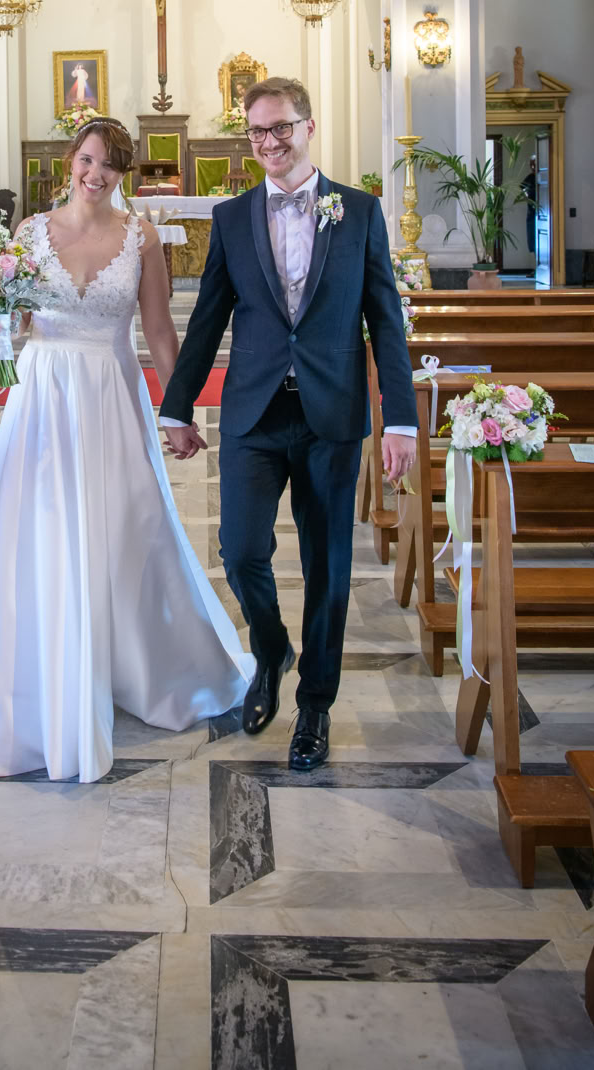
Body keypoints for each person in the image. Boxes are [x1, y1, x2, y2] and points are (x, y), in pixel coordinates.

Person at [0, 117, 252, 783]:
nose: (96, 175)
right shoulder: (29, 234)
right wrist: (3, 390)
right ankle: (51, 676)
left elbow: (156, 326)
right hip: (43, 399)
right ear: (72, 159)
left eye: (111, 167)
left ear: (124, 175)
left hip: (113, 394)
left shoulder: (142, 238)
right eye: (89, 160)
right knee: (45, 536)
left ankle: (135, 665)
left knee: (127, 528)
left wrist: (178, 407)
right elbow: (7, 324)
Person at [160, 77, 417, 771]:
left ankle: (314, 706)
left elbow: (385, 323)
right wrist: (177, 406)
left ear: (309, 126)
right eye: (258, 132)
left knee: (328, 567)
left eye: (281, 128)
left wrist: (402, 423)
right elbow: (209, 316)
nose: (269, 142)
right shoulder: (231, 215)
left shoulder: (358, 211)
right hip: (254, 411)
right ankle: (271, 650)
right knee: (241, 552)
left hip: (332, 415)